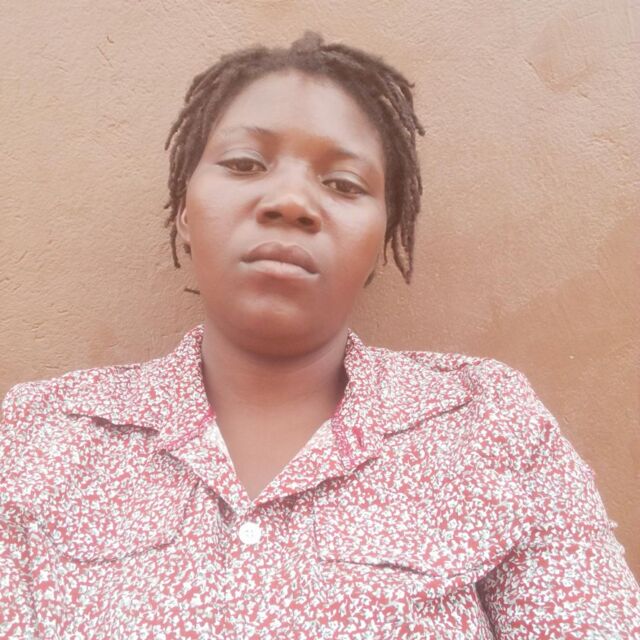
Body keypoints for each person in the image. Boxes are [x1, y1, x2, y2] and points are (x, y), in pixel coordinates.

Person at [1, 31, 638, 639]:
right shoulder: (39, 435)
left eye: (343, 184)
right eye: (245, 164)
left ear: (380, 241)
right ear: (186, 212)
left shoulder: (488, 423)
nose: (290, 202)